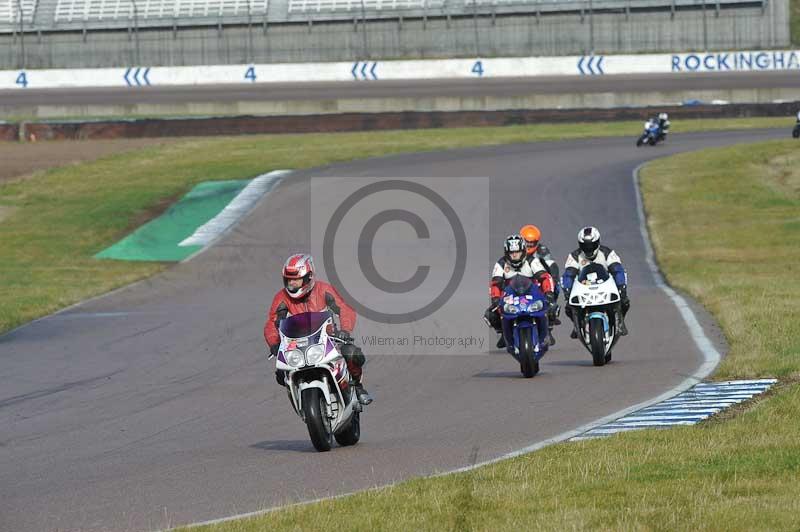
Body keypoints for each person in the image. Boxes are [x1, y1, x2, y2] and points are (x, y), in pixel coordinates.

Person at [264, 253, 372, 405]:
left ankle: (357, 386)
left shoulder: (324, 290)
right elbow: (271, 322)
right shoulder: (281, 298)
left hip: (328, 340)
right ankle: (300, 398)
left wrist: (345, 330)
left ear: (308, 277)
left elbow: (345, 308)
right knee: (281, 374)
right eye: (289, 280)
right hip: (297, 345)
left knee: (352, 354)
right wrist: (274, 343)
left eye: (296, 280)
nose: (292, 284)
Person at [484, 234, 556, 348]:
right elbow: (495, 283)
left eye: (517, 252)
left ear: (523, 251)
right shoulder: (501, 264)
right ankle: (504, 332)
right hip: (510, 296)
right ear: (507, 253)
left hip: (532, 294)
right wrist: (496, 299)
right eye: (511, 253)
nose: (515, 255)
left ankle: (547, 331)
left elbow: (545, 277)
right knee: (491, 314)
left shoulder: (532, 261)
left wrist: (549, 293)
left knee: (552, 307)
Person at [562, 226, 630, 337]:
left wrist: (621, 287)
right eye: (585, 246)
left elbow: (618, 270)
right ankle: (577, 325)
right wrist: (567, 291)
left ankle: (620, 321)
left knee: (624, 301)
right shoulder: (574, 256)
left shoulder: (607, 253)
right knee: (569, 307)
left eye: (591, 245)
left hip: (605, 286)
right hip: (583, 289)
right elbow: (568, 274)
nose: (588, 249)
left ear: (597, 242)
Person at [520, 224, 562, 341]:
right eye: (526, 242)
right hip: (519, 282)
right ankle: (504, 330)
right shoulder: (515, 251)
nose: (528, 245)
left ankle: (549, 322)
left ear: (536, 242)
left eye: (531, 243)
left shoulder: (542, 251)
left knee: (554, 287)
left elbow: (552, 265)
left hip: (537, 280)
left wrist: (554, 278)